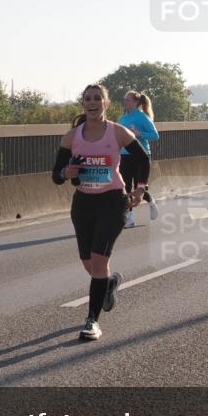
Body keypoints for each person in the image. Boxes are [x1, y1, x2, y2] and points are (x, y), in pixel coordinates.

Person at [52, 84, 150, 341]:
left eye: (98, 98)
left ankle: (92, 321)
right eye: (88, 99)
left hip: (112, 202)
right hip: (83, 204)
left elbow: (143, 159)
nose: (92, 102)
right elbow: (56, 175)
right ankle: (109, 283)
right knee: (88, 263)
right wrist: (66, 173)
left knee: (98, 261)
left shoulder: (118, 132)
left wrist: (140, 189)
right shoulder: (72, 137)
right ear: (82, 104)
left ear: (106, 104)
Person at [119, 90, 161, 228]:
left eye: (128, 100)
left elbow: (155, 136)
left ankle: (151, 201)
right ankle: (129, 218)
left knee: (139, 187)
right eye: (124, 100)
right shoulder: (122, 119)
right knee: (125, 187)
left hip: (141, 156)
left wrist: (139, 134)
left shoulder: (142, 117)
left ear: (136, 102)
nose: (125, 102)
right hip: (124, 156)